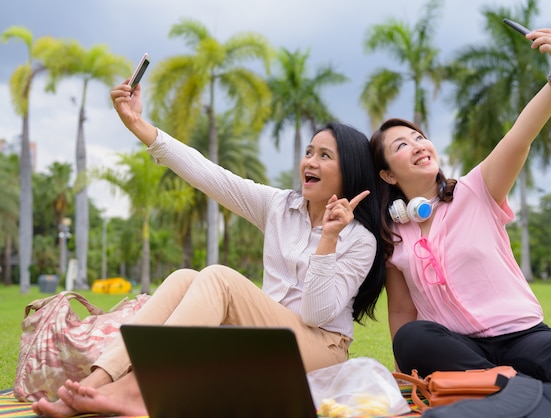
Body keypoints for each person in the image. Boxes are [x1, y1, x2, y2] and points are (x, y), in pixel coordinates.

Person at [32, 81, 386, 417]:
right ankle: (96, 383)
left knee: (219, 277)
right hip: (268, 340)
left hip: (319, 350)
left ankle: (141, 389)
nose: (310, 162)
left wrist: (328, 239)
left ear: (349, 171)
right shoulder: (280, 206)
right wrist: (138, 124)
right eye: (309, 152)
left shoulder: (359, 239)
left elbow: (314, 315)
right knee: (184, 277)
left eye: (325, 156)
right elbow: (209, 174)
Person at [369, 28, 551, 388]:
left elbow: (519, 138)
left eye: (419, 137)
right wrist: (407, 378)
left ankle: (512, 391)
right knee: (413, 337)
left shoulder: (476, 190)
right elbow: (401, 310)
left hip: (522, 335)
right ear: (387, 174)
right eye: (401, 145)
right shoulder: (393, 235)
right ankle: (520, 390)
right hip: (456, 349)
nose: (417, 145)